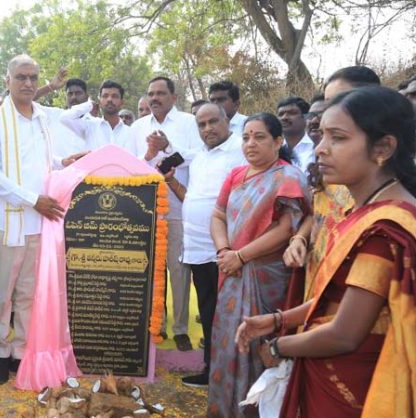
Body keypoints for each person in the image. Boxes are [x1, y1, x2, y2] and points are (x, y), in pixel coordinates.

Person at [237, 86, 416, 418]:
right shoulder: (367, 212)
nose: (320, 149)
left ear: (383, 147)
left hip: (357, 386)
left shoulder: (385, 227)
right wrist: (278, 320)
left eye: (338, 138)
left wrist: (278, 346)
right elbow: (335, 300)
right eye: (321, 136)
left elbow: (344, 334)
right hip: (342, 374)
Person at [0, 54, 79, 385]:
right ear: (7, 80)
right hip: (8, 220)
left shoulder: (41, 119)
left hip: (39, 221)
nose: (28, 83)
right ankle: (1, 351)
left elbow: (40, 162)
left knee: (28, 292)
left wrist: (63, 161)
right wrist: (32, 200)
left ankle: (20, 352)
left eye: (33, 77)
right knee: (1, 291)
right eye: (21, 77)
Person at [207, 112, 309, 417]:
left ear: (278, 141)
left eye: (260, 136)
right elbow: (218, 215)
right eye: (246, 137)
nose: (251, 143)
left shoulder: (288, 176)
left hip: (266, 276)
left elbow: (285, 229)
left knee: (258, 344)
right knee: (226, 344)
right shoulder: (237, 175)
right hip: (231, 272)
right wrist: (225, 251)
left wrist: (242, 256)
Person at [283, 65, 380, 304]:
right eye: (328, 105)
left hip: (358, 297)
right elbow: (318, 214)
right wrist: (299, 240)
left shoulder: (388, 185)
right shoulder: (329, 165)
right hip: (318, 282)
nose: (330, 113)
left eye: (341, 101)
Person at [170, 103, 246, 387]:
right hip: (198, 249)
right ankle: (211, 369)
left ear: (227, 121)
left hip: (226, 249)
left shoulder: (240, 149)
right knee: (208, 310)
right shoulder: (200, 156)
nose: (207, 129)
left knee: (227, 312)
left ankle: (226, 372)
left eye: (213, 122)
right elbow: (195, 198)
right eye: (201, 125)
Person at [125, 76, 202, 348]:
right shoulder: (137, 127)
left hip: (179, 206)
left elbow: (199, 155)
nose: (154, 98)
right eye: (150, 94)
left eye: (160, 93)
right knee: (150, 270)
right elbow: (129, 165)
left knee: (179, 269)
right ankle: (155, 323)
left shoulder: (189, 123)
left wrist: (168, 147)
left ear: (173, 97)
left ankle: (180, 328)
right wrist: (148, 154)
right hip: (146, 210)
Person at [59, 79, 131, 150]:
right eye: (105, 96)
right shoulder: (90, 126)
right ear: (99, 100)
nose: (109, 99)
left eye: (114, 96)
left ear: (122, 102)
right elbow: (64, 118)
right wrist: (89, 105)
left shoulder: (130, 132)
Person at [277, 96, 313, 174]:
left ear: (306, 118)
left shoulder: (315, 147)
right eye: (281, 114)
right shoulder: (274, 149)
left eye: (292, 113)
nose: (284, 117)